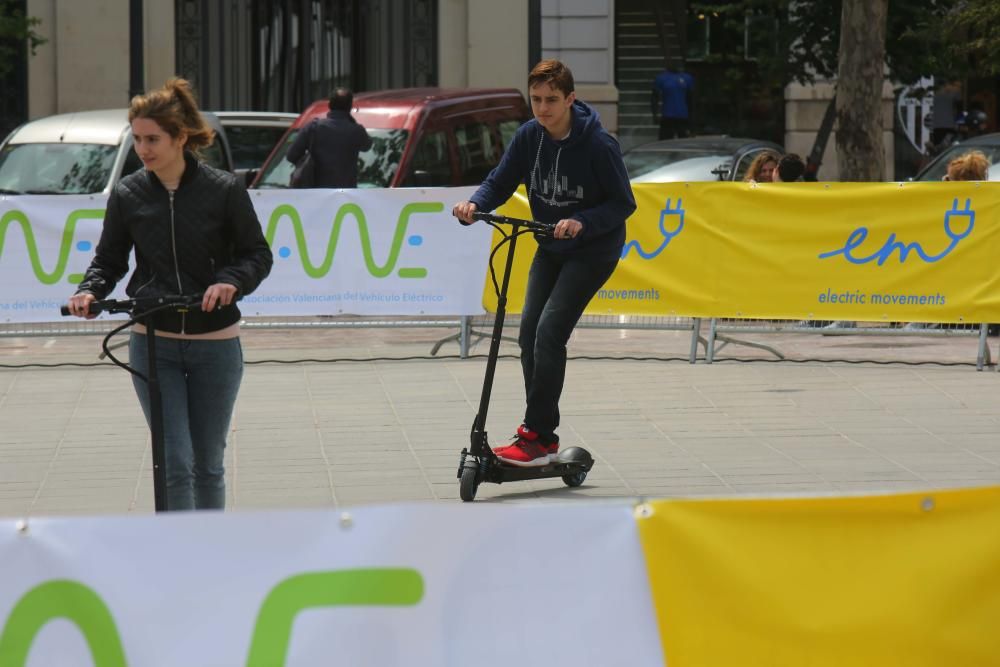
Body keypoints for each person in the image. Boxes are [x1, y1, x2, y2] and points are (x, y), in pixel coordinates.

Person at [66, 78, 274, 511]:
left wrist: (231, 281)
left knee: (207, 463)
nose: (143, 149)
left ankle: (210, 552)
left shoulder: (224, 189)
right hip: (152, 342)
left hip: (215, 345)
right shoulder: (128, 193)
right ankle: (175, 560)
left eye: (153, 139)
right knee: (173, 461)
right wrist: (88, 290)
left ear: (181, 138)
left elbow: (257, 254)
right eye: (137, 138)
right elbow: (109, 260)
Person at [452, 59, 636, 467]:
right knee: (528, 335)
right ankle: (542, 435)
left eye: (552, 100)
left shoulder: (598, 144)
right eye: (535, 99)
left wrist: (582, 221)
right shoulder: (529, 137)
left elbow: (624, 203)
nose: (542, 108)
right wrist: (475, 204)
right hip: (550, 245)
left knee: (550, 333)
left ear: (570, 99)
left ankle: (536, 434)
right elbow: (500, 181)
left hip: (592, 251)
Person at [287, 87, 373, 188]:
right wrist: (351, 120)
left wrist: (307, 164)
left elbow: (291, 155)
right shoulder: (356, 131)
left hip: (315, 191)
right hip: (345, 194)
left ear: (329, 105)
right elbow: (367, 146)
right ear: (350, 107)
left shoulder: (313, 127)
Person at [650, 62, 694, 140]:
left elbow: (654, 98)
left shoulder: (663, 78)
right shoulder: (663, 78)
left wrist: (655, 114)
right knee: (676, 141)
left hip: (675, 115)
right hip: (674, 115)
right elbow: (690, 99)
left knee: (669, 141)